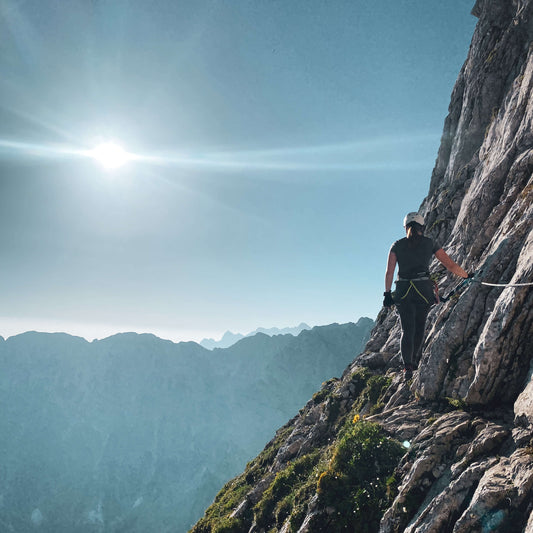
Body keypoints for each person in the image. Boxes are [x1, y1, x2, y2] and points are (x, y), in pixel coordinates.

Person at [383, 212, 469, 379]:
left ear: (405, 227)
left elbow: (389, 272)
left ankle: (407, 366)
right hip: (423, 289)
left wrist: (387, 294)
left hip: (403, 289)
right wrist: (467, 276)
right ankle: (415, 363)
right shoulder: (430, 243)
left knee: (406, 329)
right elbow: (450, 265)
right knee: (420, 327)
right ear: (422, 227)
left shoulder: (397, 245)